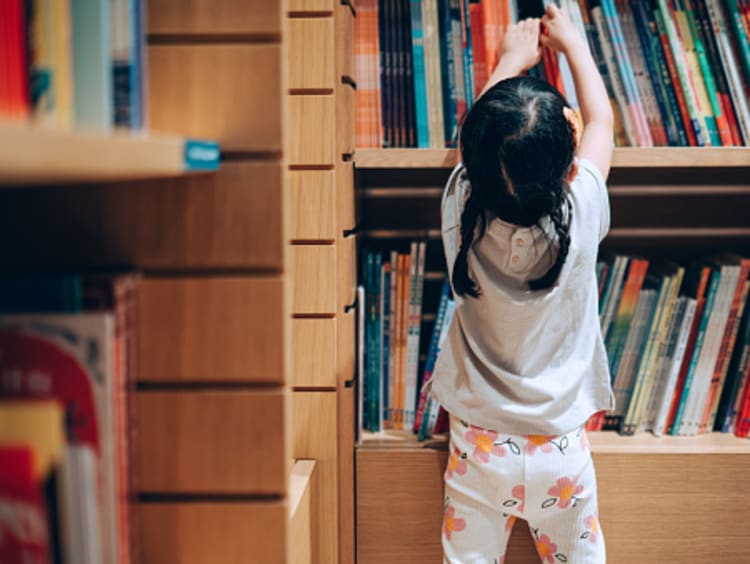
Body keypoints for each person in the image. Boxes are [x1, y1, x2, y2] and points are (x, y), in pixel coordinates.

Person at [426, 5, 615, 563]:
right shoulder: (582, 212)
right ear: (570, 169)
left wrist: (511, 58)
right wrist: (575, 46)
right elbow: (601, 125)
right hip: (563, 449)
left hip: (480, 450)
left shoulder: (461, 207)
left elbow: (478, 142)